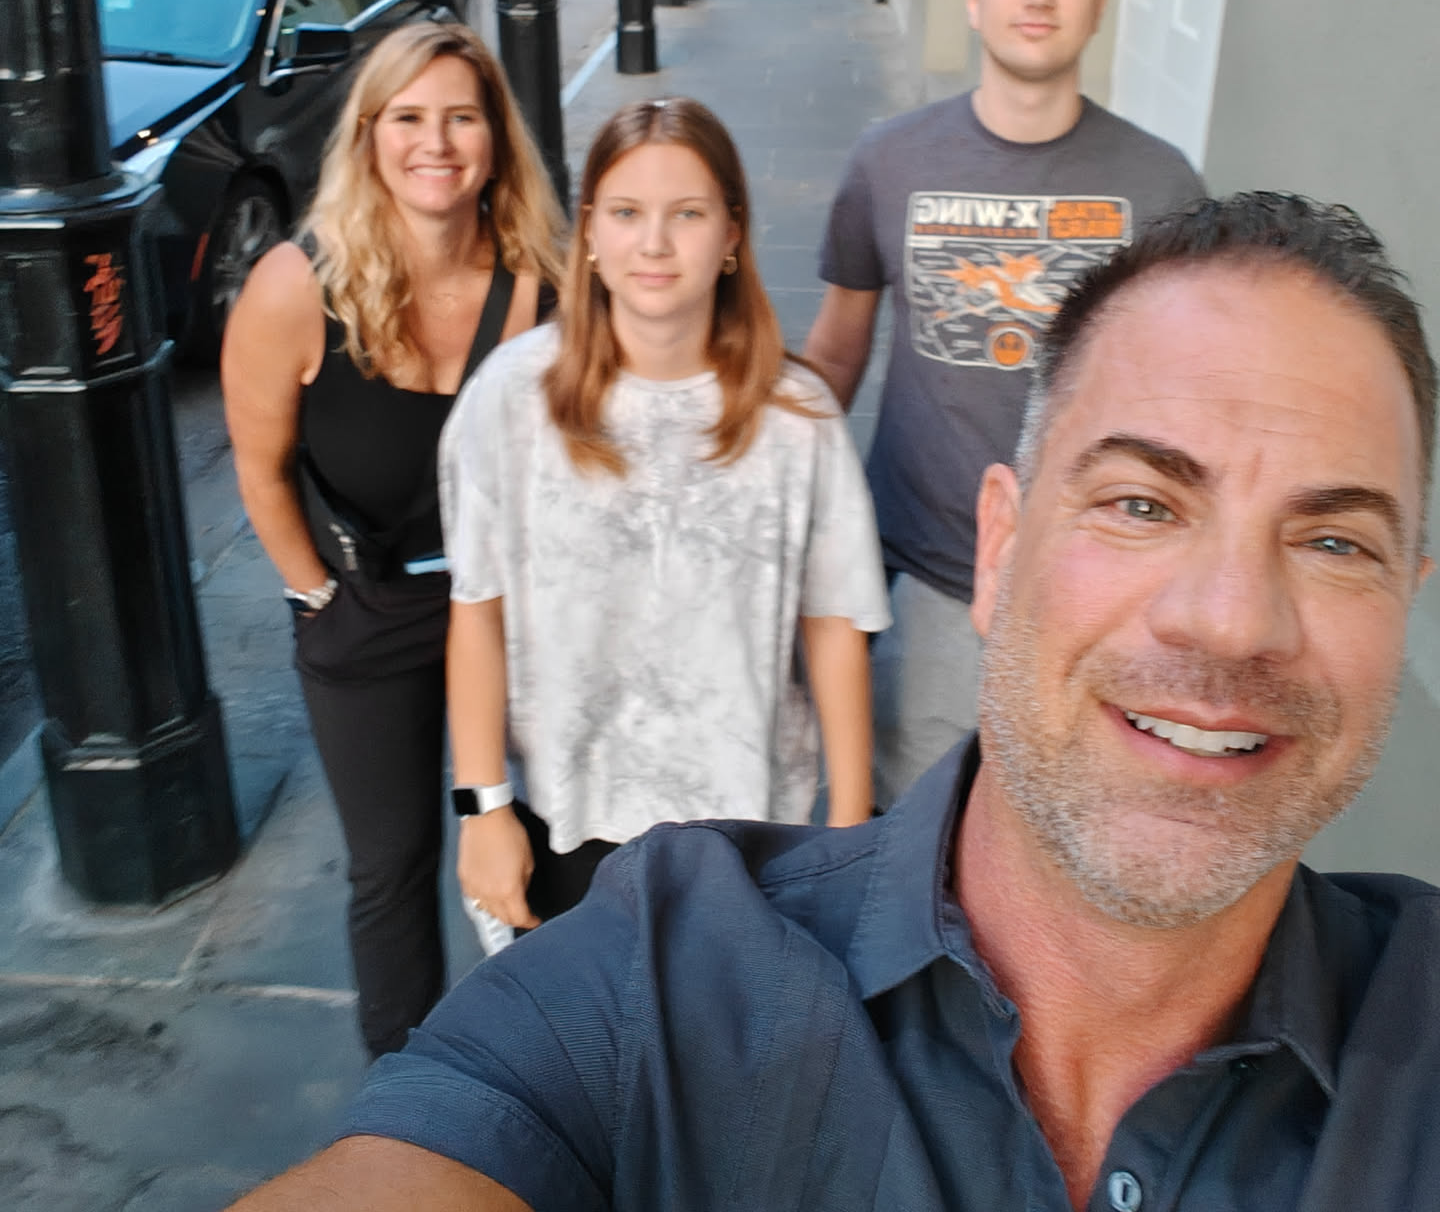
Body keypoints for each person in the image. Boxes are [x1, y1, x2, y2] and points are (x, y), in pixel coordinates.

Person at [231, 192, 1440, 1211]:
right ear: (999, 548)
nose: (1232, 619)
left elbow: (824, 617)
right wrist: (483, 796)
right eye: (1141, 505)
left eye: (1336, 543)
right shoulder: (659, 974)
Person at [803, 0, 1206, 804]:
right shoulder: (888, 162)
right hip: (928, 583)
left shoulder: (1163, 187)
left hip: (1093, 593)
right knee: (915, 830)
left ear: (1099, 0)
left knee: (1076, 829)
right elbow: (834, 354)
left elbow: (1189, 402)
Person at [441, 95, 890, 935]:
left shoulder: (796, 417)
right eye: (625, 213)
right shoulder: (512, 397)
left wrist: (850, 827)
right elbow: (477, 609)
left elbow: (834, 624)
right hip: (566, 819)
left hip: (745, 827)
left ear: (731, 235)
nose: (654, 243)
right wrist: (482, 807)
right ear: (590, 233)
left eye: (687, 213)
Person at [221, 22, 562, 1058]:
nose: (436, 142)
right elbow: (260, 468)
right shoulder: (296, 286)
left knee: (546, 845)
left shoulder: (548, 284)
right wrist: (317, 596)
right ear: (369, 135)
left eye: (462, 117)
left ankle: (560, 1069)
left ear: (497, 138)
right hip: (370, 611)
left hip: (521, 611)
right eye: (408, 117)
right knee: (392, 867)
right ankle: (409, 1103)